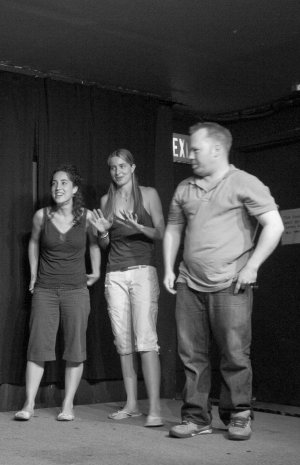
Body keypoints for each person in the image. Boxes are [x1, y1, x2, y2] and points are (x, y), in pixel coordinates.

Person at [163, 122, 284, 441]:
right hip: (190, 282)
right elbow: (174, 227)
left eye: (196, 150)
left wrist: (253, 266)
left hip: (231, 282)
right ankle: (196, 417)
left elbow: (274, 225)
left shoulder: (244, 182)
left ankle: (238, 414)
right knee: (191, 354)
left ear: (217, 149)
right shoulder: (185, 187)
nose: (191, 156)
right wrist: (168, 268)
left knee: (234, 352)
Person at [15, 165, 100, 422]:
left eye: (63, 183)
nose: (58, 187)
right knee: (38, 346)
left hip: (76, 290)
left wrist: (96, 270)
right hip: (45, 289)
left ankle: (68, 404)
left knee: (75, 348)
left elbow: (95, 244)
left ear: (74, 189)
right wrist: (33, 274)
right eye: (54, 183)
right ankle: (29, 404)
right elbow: (33, 243)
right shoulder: (41, 216)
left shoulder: (87, 217)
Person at [90, 149, 164, 427]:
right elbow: (104, 244)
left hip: (143, 271)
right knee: (123, 341)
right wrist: (102, 232)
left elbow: (161, 232)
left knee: (146, 340)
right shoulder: (106, 200)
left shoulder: (149, 194)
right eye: (113, 167)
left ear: (132, 168)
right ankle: (132, 404)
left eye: (122, 166)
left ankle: (154, 408)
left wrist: (139, 226)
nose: (117, 171)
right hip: (115, 274)